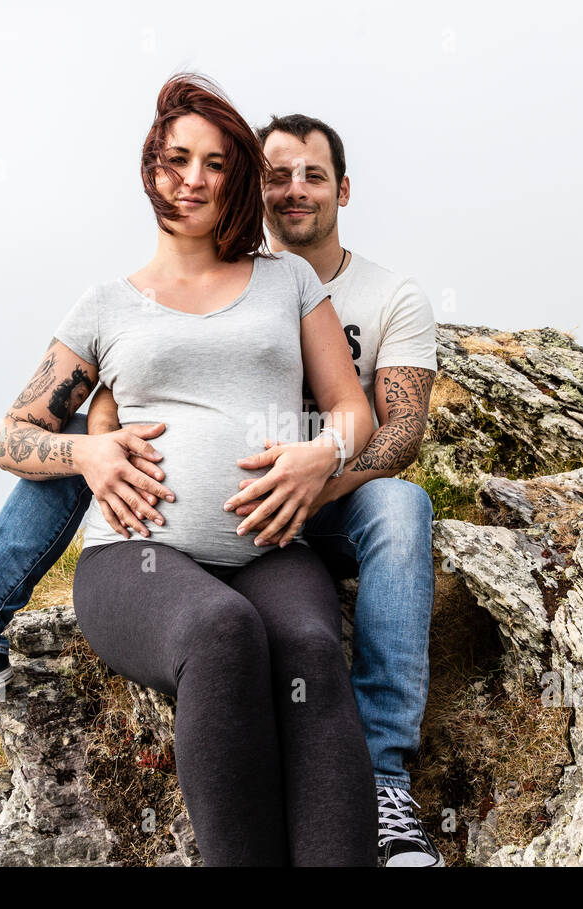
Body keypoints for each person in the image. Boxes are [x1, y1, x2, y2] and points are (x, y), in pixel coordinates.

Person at [0, 93, 440, 869]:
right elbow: (11, 434)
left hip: (271, 545)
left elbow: (352, 411)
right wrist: (88, 452)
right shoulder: (107, 304)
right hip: (139, 556)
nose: (195, 178)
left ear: (236, 181)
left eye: (217, 163)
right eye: (178, 159)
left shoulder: (286, 281)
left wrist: (321, 456)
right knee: (222, 635)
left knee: (313, 650)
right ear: (151, 170)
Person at [89, 114, 442, 866]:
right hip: (200, 533)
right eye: (276, 174)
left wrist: (318, 472)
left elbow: (398, 427)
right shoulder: (172, 291)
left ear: (342, 189)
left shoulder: (371, 294)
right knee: (223, 631)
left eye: (314, 174)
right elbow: (80, 411)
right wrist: (90, 449)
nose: (294, 190)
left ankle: (383, 777)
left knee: (398, 515)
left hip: (319, 502)